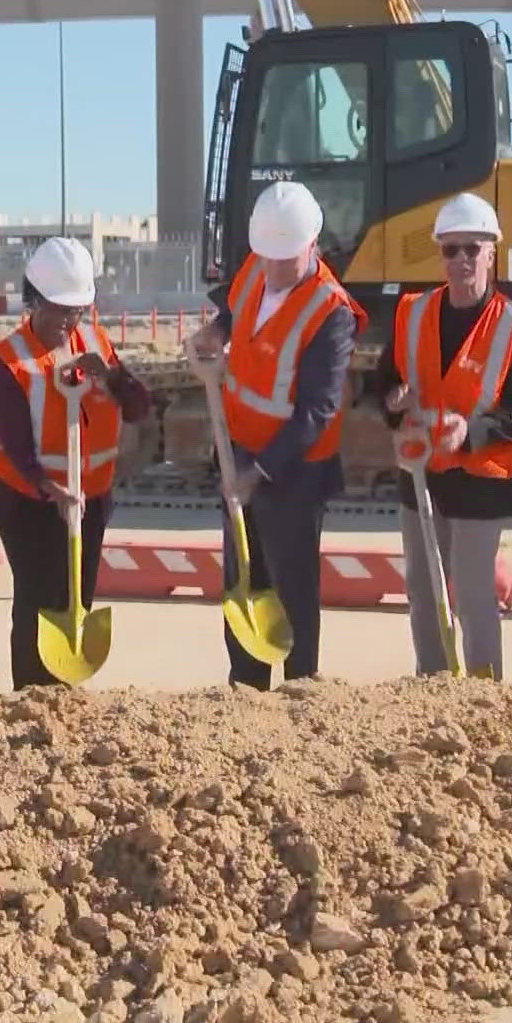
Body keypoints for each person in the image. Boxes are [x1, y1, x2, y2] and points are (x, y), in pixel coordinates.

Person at [187, 182, 365, 686]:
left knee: (292, 592)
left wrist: (258, 471)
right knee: (242, 580)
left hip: (295, 471)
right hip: (237, 449)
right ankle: (245, 686)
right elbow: (232, 311)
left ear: (313, 245)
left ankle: (300, 688)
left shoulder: (331, 312)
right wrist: (213, 334)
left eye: (286, 259)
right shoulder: (256, 268)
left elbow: (318, 409)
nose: (275, 269)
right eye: (267, 257)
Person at [377, 192, 512, 679]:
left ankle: (482, 694)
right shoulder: (413, 312)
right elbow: (385, 379)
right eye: (451, 249)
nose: (462, 260)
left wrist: (469, 433)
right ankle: (432, 687)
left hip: (481, 479)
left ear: (492, 251)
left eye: (472, 248)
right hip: (421, 475)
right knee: (423, 590)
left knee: (473, 596)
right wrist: (392, 401)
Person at [0, 237, 152, 689]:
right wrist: (46, 489)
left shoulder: (94, 342)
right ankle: (31, 694)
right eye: (57, 309)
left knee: (77, 591)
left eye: (75, 311)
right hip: (20, 491)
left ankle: (65, 689)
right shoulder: (8, 361)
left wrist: (110, 376)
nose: (67, 321)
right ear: (33, 301)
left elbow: (138, 408)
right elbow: (15, 443)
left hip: (90, 491)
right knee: (39, 591)